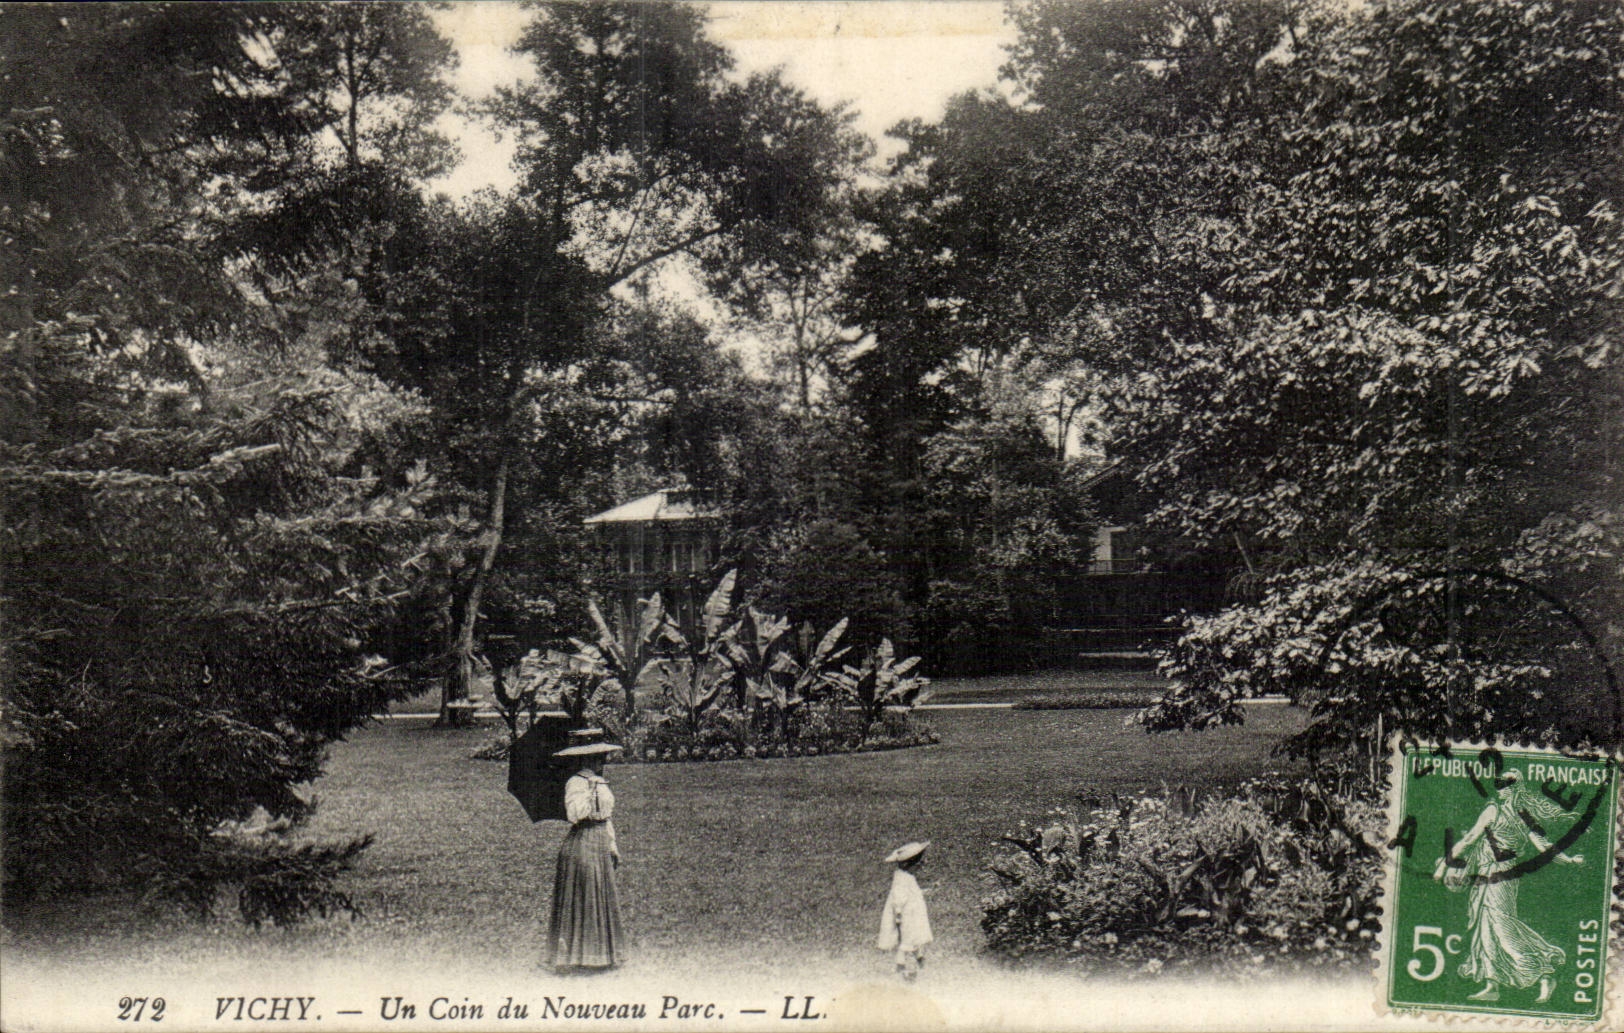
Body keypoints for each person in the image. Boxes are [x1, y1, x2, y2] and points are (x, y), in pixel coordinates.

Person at [1432, 770, 1583, 1003]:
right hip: (1486, 871)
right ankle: (1492, 985)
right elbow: (1471, 837)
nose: (1501, 788)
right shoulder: (1493, 809)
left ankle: (1544, 974)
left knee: (1503, 927)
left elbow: (1542, 844)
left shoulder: (1523, 813)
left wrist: (1567, 859)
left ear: (1516, 786)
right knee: (1486, 929)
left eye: (1506, 784)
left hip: (1504, 873)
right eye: (1499, 784)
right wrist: (1444, 865)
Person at [546, 730, 624, 972]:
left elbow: (607, 816)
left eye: (602, 757)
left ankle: (601, 955)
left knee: (601, 894)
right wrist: (589, 793)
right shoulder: (576, 783)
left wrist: (612, 844)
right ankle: (579, 956)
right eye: (596, 758)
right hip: (583, 841)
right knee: (585, 895)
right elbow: (575, 815)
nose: (601, 762)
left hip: (600, 840)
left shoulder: (601, 782)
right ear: (584, 760)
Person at [877, 841, 933, 981]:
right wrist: (898, 915)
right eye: (919, 864)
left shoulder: (907, 877)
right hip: (907, 916)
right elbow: (899, 898)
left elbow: (912, 893)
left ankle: (910, 962)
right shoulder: (902, 880)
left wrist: (925, 892)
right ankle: (906, 968)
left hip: (913, 914)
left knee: (913, 939)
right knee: (908, 941)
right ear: (910, 865)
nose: (922, 866)